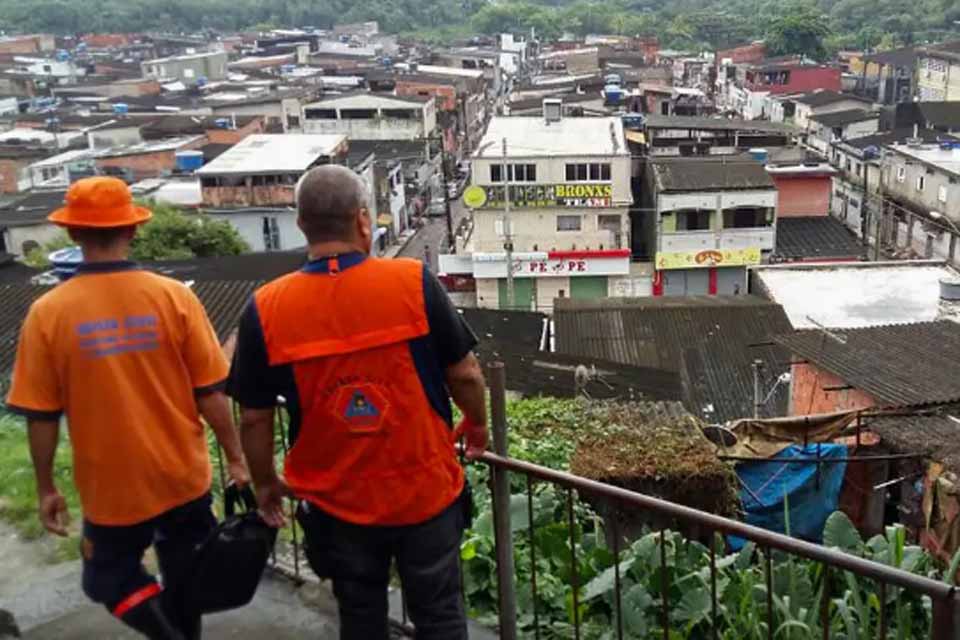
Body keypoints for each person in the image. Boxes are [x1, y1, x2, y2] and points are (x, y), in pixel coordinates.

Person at [229, 165, 488, 640]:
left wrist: (266, 484)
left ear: (302, 224)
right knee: (441, 617)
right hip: (424, 495)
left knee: (360, 616)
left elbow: (254, 418)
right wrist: (476, 427)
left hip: (336, 504)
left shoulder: (267, 307)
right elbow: (466, 374)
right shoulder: (412, 282)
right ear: (363, 221)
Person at [5, 177, 250, 640]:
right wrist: (235, 458)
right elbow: (211, 393)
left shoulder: (49, 313)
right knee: (185, 575)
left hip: (112, 485)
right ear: (132, 231)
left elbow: (40, 414)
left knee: (107, 577)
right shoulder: (173, 297)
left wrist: (45, 488)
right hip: (182, 472)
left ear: (73, 235)